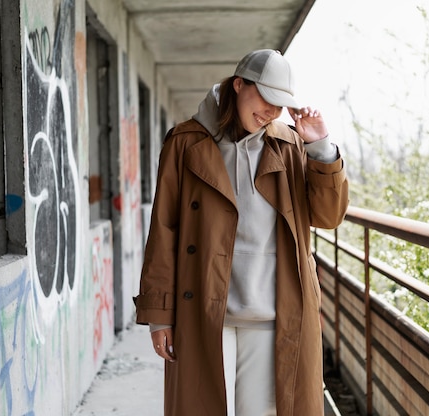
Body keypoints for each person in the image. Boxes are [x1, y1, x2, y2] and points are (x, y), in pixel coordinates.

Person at [134, 49, 349, 416]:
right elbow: (164, 231)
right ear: (238, 85)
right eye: (265, 98)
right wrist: (160, 315)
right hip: (202, 311)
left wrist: (321, 147)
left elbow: (328, 216)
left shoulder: (290, 145)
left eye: (279, 105)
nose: (271, 112)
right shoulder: (185, 143)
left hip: (273, 314)